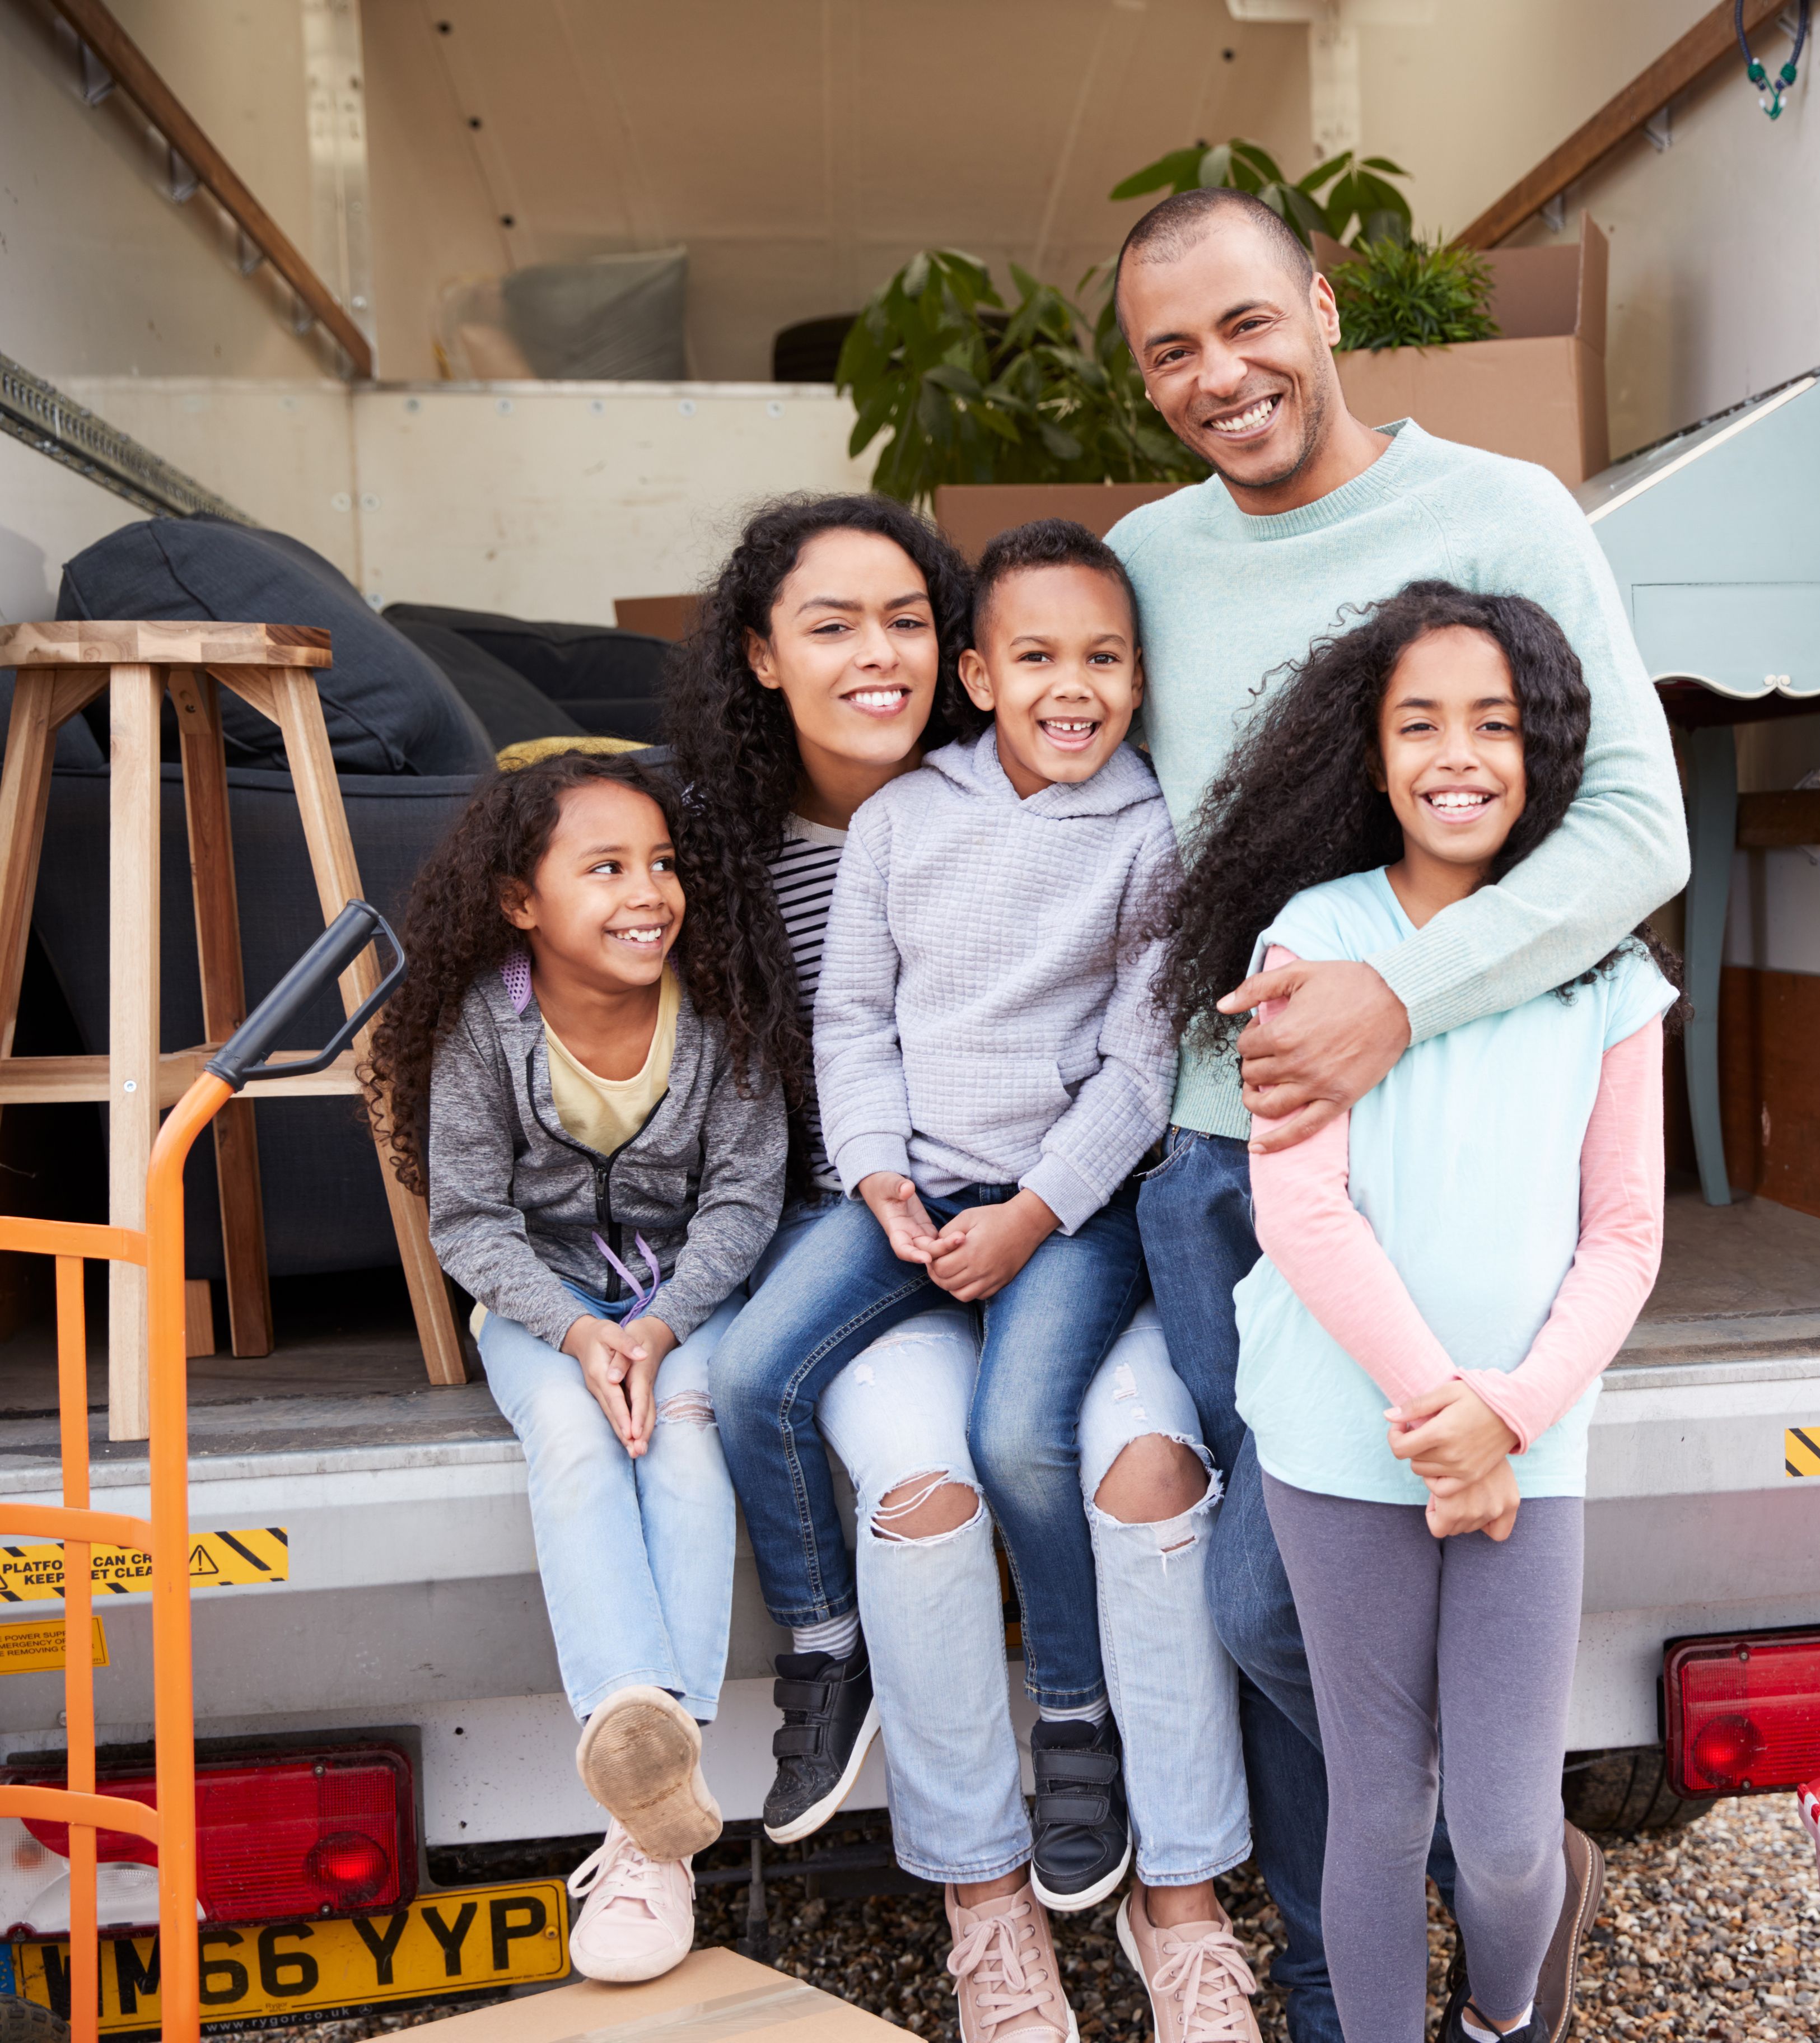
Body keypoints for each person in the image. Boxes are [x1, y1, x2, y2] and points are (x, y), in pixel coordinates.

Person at [1109, 188, 1688, 2041]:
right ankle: (1370, 1922)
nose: (1222, 376)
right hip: (1231, 1165)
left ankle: (1479, 1880)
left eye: (1247, 325)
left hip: (1458, 1140)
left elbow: (1633, 834)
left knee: (1400, 1615)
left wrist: (1397, 999)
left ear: (1324, 303)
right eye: (1173, 352)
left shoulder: (1501, 513)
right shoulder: (1144, 557)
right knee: (1277, 1610)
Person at [703, 514, 1257, 2043]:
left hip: (1059, 1212)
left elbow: (1147, 1067)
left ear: (1145, 682)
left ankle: (1076, 1728)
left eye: (1104, 662)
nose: (1071, 688)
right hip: (905, 1186)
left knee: (1029, 1435)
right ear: (981, 674)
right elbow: (852, 1021)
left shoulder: (1152, 831)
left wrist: (1030, 1212)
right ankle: (829, 1657)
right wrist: (877, 1169)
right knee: (754, 1373)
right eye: (1036, 659)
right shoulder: (901, 822)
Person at [1159, 582, 1673, 2043]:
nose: (1460, 755)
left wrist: (1501, 1415)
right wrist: (1440, 1413)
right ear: (1372, 755)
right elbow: (1302, 1206)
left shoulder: (1607, 969)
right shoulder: (1312, 937)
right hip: (1344, 1437)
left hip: (1530, 1443)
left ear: (1547, 750)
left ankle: (1501, 2019)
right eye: (1421, 723)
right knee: (1379, 1808)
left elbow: (1627, 1230)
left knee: (1508, 1835)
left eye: (1496, 724)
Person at [368, 751, 794, 1985]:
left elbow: (744, 1199)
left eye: (661, 864)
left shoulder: (716, 1015)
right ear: (520, 900)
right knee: (574, 1438)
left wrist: (657, 1330)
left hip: (688, 1306)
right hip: (543, 1311)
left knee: (684, 1434)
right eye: (604, 868)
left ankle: (642, 1820)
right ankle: (651, 1773)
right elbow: (469, 1221)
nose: (647, 892)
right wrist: (574, 1329)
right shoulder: (479, 1033)